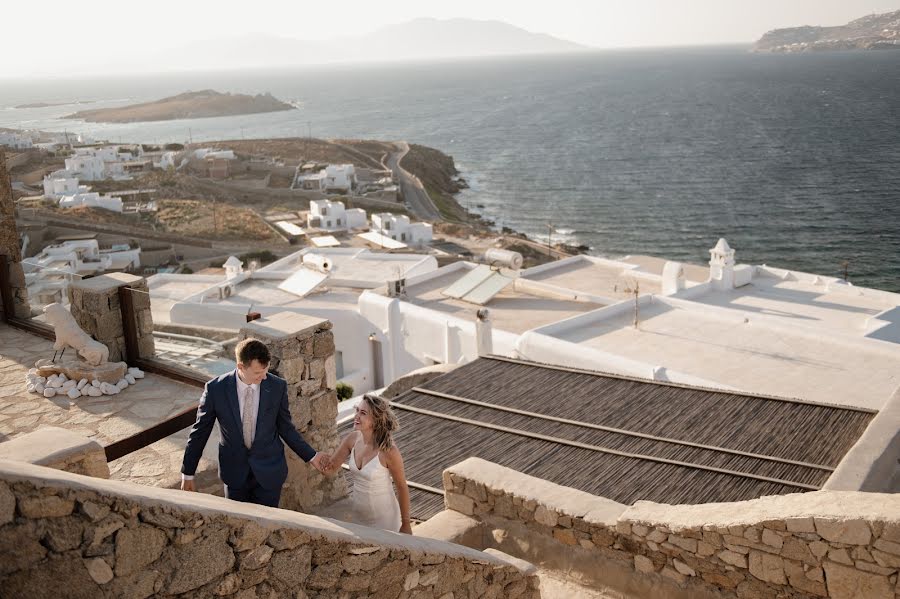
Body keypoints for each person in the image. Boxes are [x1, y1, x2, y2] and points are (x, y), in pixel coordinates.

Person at [180, 338, 330, 507]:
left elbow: (286, 428)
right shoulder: (215, 389)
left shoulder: (277, 386)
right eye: (258, 373)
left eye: (265, 370)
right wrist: (188, 474)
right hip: (234, 473)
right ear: (241, 367)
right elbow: (200, 432)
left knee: (268, 525)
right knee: (237, 524)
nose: (264, 376)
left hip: (270, 473)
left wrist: (312, 456)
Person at [325, 394, 412, 533]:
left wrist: (406, 523)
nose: (357, 416)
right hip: (358, 517)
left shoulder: (389, 451)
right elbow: (330, 469)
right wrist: (311, 456)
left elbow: (402, 487)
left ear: (375, 420)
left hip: (385, 519)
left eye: (363, 413)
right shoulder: (352, 439)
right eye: (357, 410)